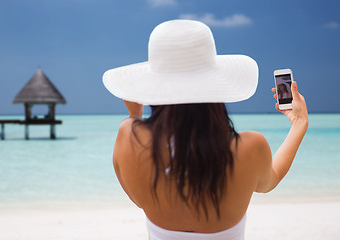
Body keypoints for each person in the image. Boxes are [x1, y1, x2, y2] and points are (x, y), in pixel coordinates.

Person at [103, 20, 308, 240]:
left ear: (154, 88)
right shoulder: (250, 147)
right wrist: (299, 123)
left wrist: (135, 115)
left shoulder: (128, 137)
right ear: (216, 84)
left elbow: (138, 195)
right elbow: (271, 179)